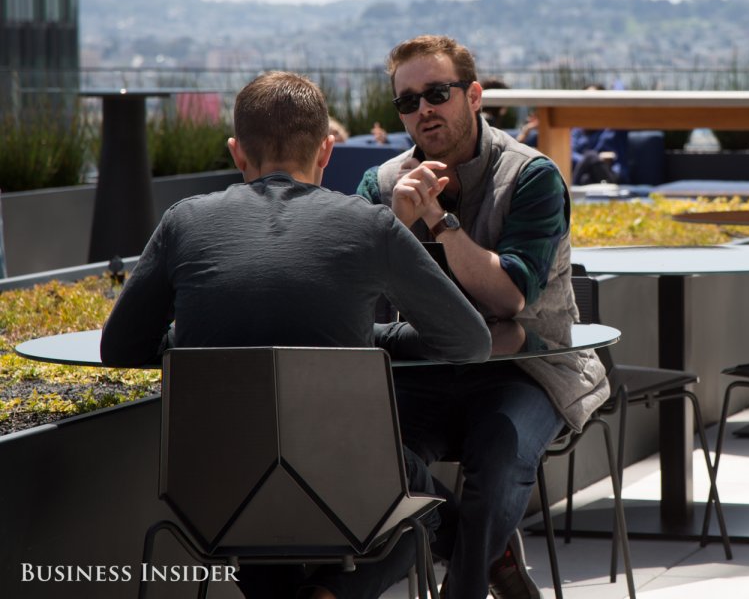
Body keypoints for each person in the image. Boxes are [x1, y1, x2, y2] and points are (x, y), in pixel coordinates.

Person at [101, 71, 492, 599]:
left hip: (207, 494)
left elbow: (120, 348)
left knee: (256, 498)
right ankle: (330, 594)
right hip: (347, 486)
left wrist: (188, 342)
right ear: (328, 151)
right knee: (430, 512)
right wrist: (377, 339)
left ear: (238, 154)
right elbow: (470, 341)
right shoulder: (367, 226)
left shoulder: (184, 223)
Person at [356, 35, 608, 599]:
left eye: (437, 93)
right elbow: (359, 305)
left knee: (495, 470)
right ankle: (489, 556)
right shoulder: (381, 187)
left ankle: (465, 586)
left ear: (473, 96)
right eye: (408, 101)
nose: (423, 110)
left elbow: (508, 299)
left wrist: (441, 223)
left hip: (527, 369)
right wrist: (396, 226)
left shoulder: (531, 176)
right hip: (424, 370)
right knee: (365, 453)